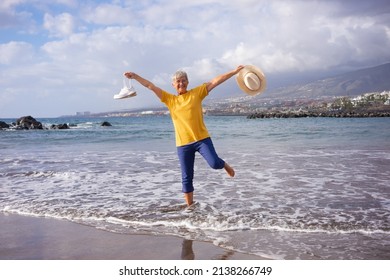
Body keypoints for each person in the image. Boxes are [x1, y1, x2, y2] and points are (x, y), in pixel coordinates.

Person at [124, 65, 244, 207]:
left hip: (201, 139)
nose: (181, 83)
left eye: (183, 80)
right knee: (186, 177)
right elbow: (150, 86)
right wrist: (135, 76)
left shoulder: (197, 93)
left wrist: (234, 71)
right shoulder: (170, 100)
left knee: (214, 163)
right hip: (183, 144)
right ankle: (190, 208)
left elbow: (215, 81)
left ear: (187, 82)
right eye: (178, 81)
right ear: (173, 85)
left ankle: (224, 165)